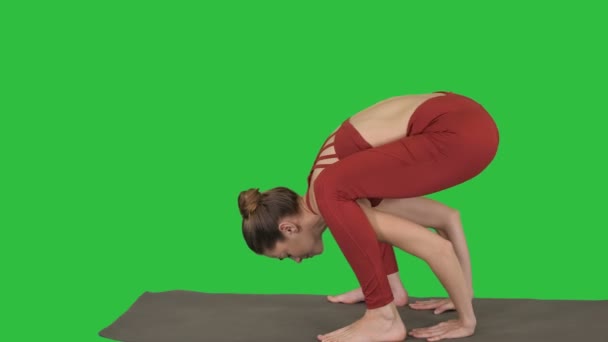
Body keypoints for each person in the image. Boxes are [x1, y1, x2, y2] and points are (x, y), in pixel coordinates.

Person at [238, 91, 499, 342]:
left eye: (285, 255)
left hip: (460, 133)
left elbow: (436, 247)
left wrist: (466, 321)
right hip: (469, 119)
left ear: (288, 228)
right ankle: (388, 301)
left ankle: (382, 317)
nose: (296, 260)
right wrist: (462, 295)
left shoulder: (328, 190)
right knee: (346, 199)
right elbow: (447, 217)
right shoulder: (338, 184)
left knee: (335, 191)